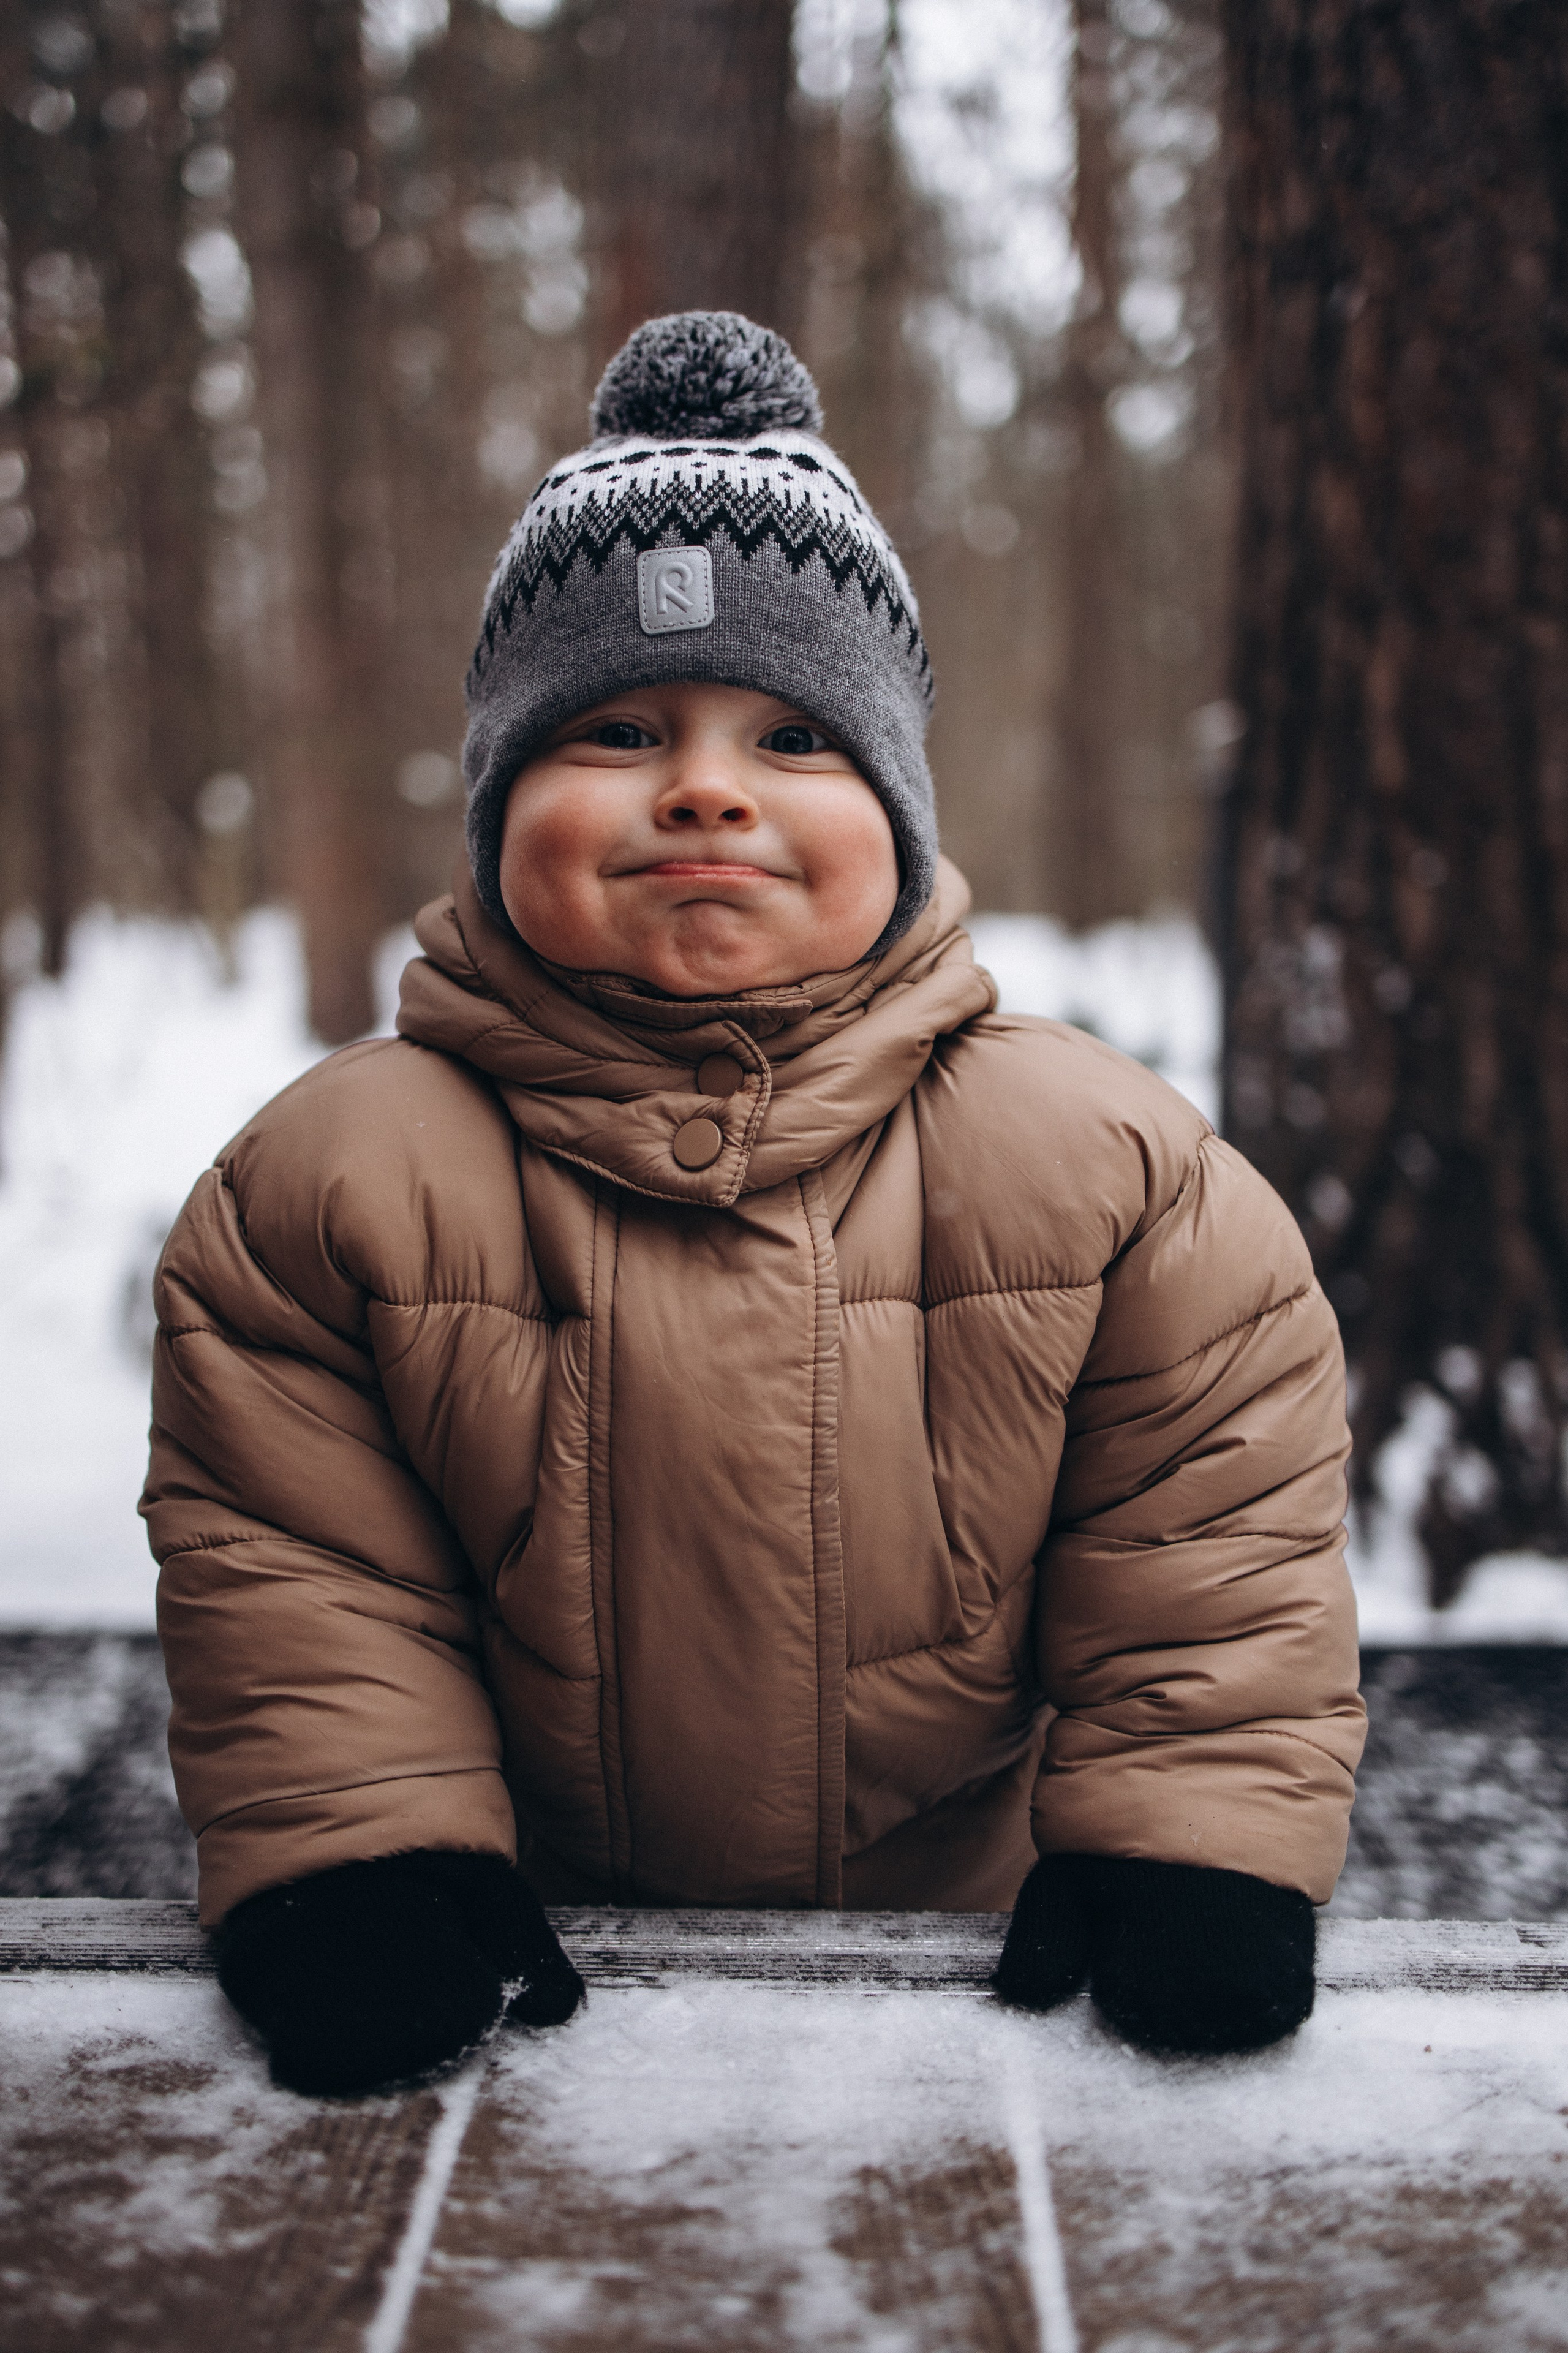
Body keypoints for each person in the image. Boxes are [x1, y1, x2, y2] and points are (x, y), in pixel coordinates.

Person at [143, 312, 1365, 2098]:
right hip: (538, 1974)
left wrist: (1187, 1835)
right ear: (494, 806)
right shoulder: (330, 1186)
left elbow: (1208, 1546)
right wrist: (363, 1849)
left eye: (796, 735)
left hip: (971, 1974)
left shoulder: (1109, 1171)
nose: (705, 783)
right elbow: (303, 1568)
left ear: (897, 804)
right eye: (622, 727)